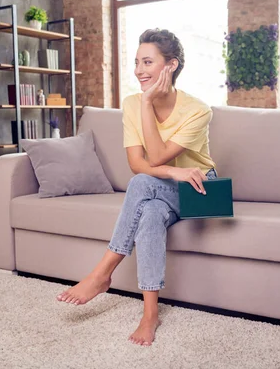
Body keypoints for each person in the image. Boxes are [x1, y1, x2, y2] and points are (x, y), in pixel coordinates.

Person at [56, 28, 216, 346]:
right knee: (151, 213)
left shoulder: (198, 110)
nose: (139, 71)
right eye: (137, 62)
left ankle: (102, 273)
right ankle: (149, 314)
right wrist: (173, 171)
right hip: (162, 186)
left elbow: (153, 157)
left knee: (144, 183)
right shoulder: (130, 104)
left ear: (170, 65)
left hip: (199, 190)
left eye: (147, 62)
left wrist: (146, 102)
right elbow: (137, 164)